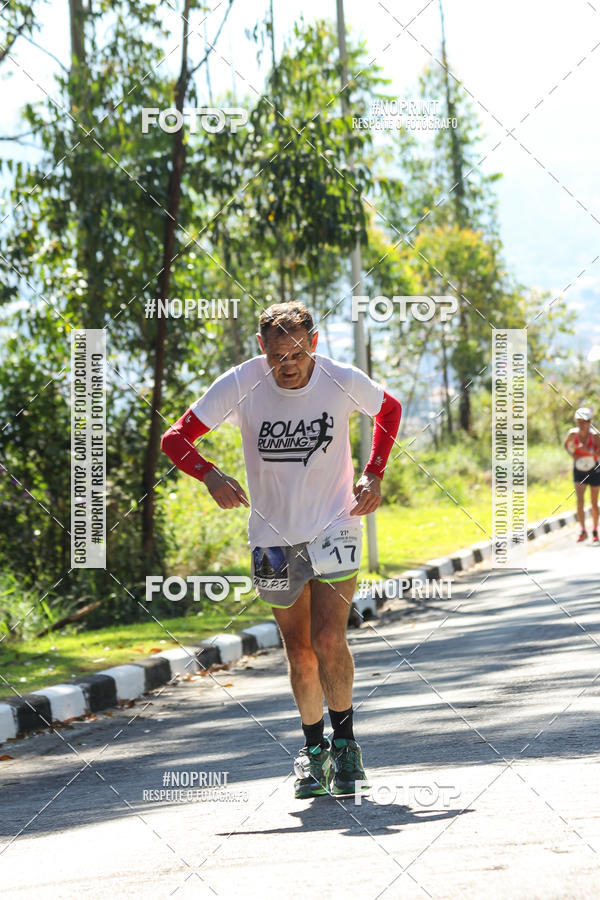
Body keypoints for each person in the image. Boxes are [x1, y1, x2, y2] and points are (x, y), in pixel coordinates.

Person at [161, 301, 401, 799]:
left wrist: (374, 472)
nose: (286, 366)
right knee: (299, 650)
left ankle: (347, 747)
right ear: (260, 349)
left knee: (330, 638)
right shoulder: (241, 381)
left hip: (335, 526)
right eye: (275, 356)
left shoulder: (339, 378)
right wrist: (209, 475)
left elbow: (390, 410)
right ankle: (314, 752)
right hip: (271, 538)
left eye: (295, 354)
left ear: (313, 344)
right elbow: (175, 438)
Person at [564, 407, 600, 543]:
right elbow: (565, 445)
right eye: (579, 421)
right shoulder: (572, 434)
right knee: (579, 501)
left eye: (584, 421)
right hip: (579, 469)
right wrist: (572, 454)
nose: (581, 424)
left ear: (589, 422)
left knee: (594, 503)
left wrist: (588, 451)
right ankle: (583, 530)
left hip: (594, 469)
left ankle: (595, 530)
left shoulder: (596, 436)